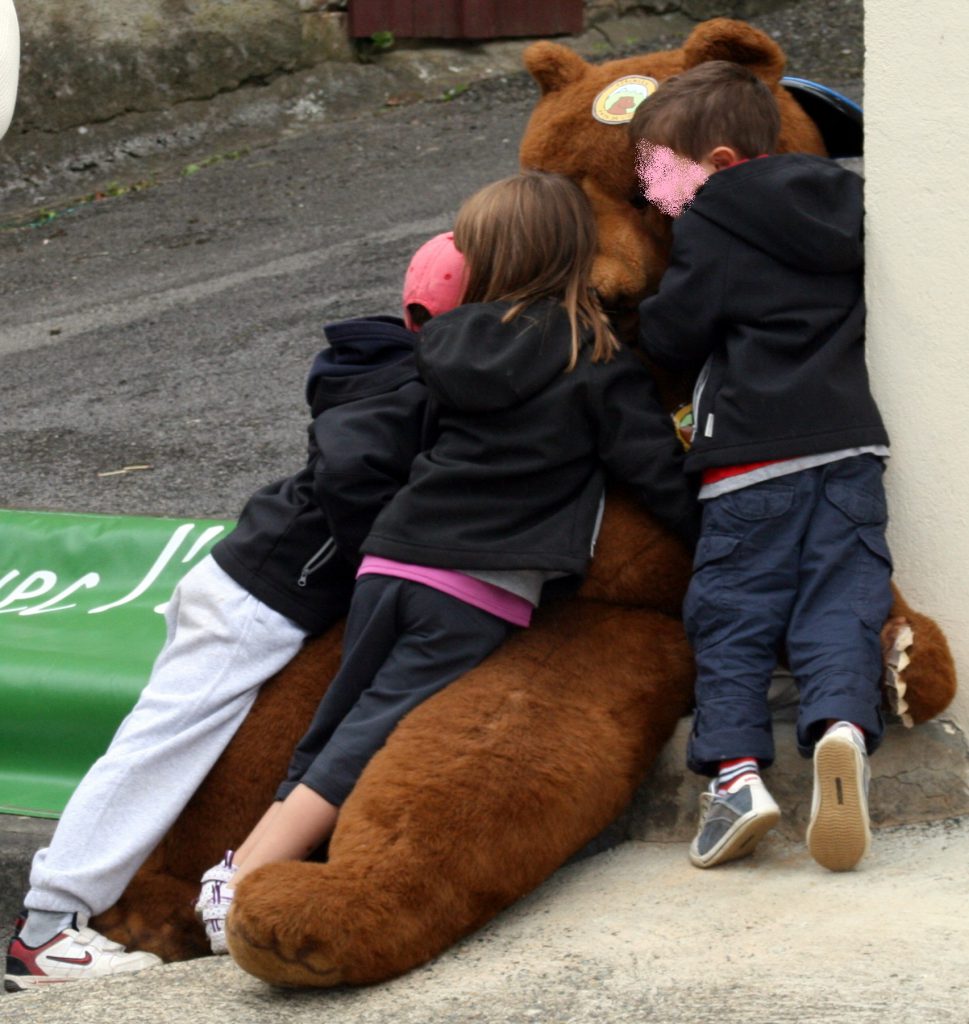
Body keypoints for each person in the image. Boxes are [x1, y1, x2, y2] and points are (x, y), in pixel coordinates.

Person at [194, 170, 701, 951]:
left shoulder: (446, 345)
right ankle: (244, 879)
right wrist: (716, 531)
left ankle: (242, 856)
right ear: (577, 253)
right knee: (371, 729)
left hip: (390, 558)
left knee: (335, 718)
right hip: (475, 586)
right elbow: (654, 477)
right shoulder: (600, 363)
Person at [3, 231, 467, 991]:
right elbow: (353, 475)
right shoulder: (400, 388)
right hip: (258, 594)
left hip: (250, 582)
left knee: (166, 743)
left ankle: (63, 919)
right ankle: (46, 928)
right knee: (158, 745)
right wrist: (378, 551)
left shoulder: (390, 369)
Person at [633, 61, 892, 872]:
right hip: (850, 447)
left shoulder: (710, 219)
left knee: (732, 617)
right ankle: (842, 728)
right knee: (840, 602)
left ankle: (737, 780)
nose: (650, 194)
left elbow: (675, 332)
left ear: (715, 162)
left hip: (751, 459)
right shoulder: (844, 201)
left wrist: (649, 302)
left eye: (656, 171)